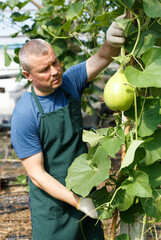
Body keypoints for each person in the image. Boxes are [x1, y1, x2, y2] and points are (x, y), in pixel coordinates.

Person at [11, 15, 125, 240]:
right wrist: (79, 202)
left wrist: (112, 39)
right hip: (53, 208)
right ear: (28, 75)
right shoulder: (24, 115)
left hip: (85, 190)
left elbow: (103, 56)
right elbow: (37, 175)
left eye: (55, 62)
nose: (54, 71)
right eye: (44, 69)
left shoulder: (69, 82)